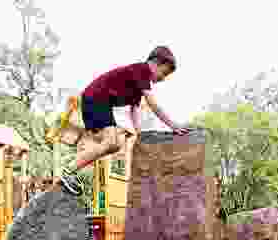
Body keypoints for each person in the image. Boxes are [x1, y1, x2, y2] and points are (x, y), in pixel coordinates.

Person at [59, 46, 189, 196]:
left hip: (100, 102)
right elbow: (153, 104)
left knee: (115, 145)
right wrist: (173, 125)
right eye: (164, 72)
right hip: (95, 98)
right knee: (110, 141)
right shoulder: (142, 70)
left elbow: (134, 110)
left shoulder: (139, 82)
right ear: (155, 63)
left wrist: (139, 136)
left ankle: (73, 168)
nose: (163, 78)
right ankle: (68, 170)